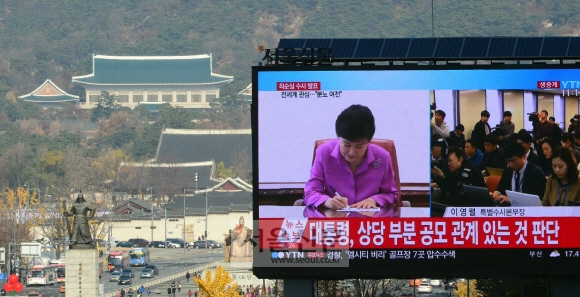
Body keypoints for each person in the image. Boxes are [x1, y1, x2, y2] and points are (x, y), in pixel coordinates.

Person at [304, 104, 398, 209]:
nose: (352, 152)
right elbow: (310, 192)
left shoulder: (382, 157)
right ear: (339, 138)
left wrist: (374, 200)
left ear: (368, 142)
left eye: (359, 146)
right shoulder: (324, 152)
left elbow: (391, 194)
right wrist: (327, 201)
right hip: (334, 221)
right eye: (346, 145)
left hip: (367, 221)